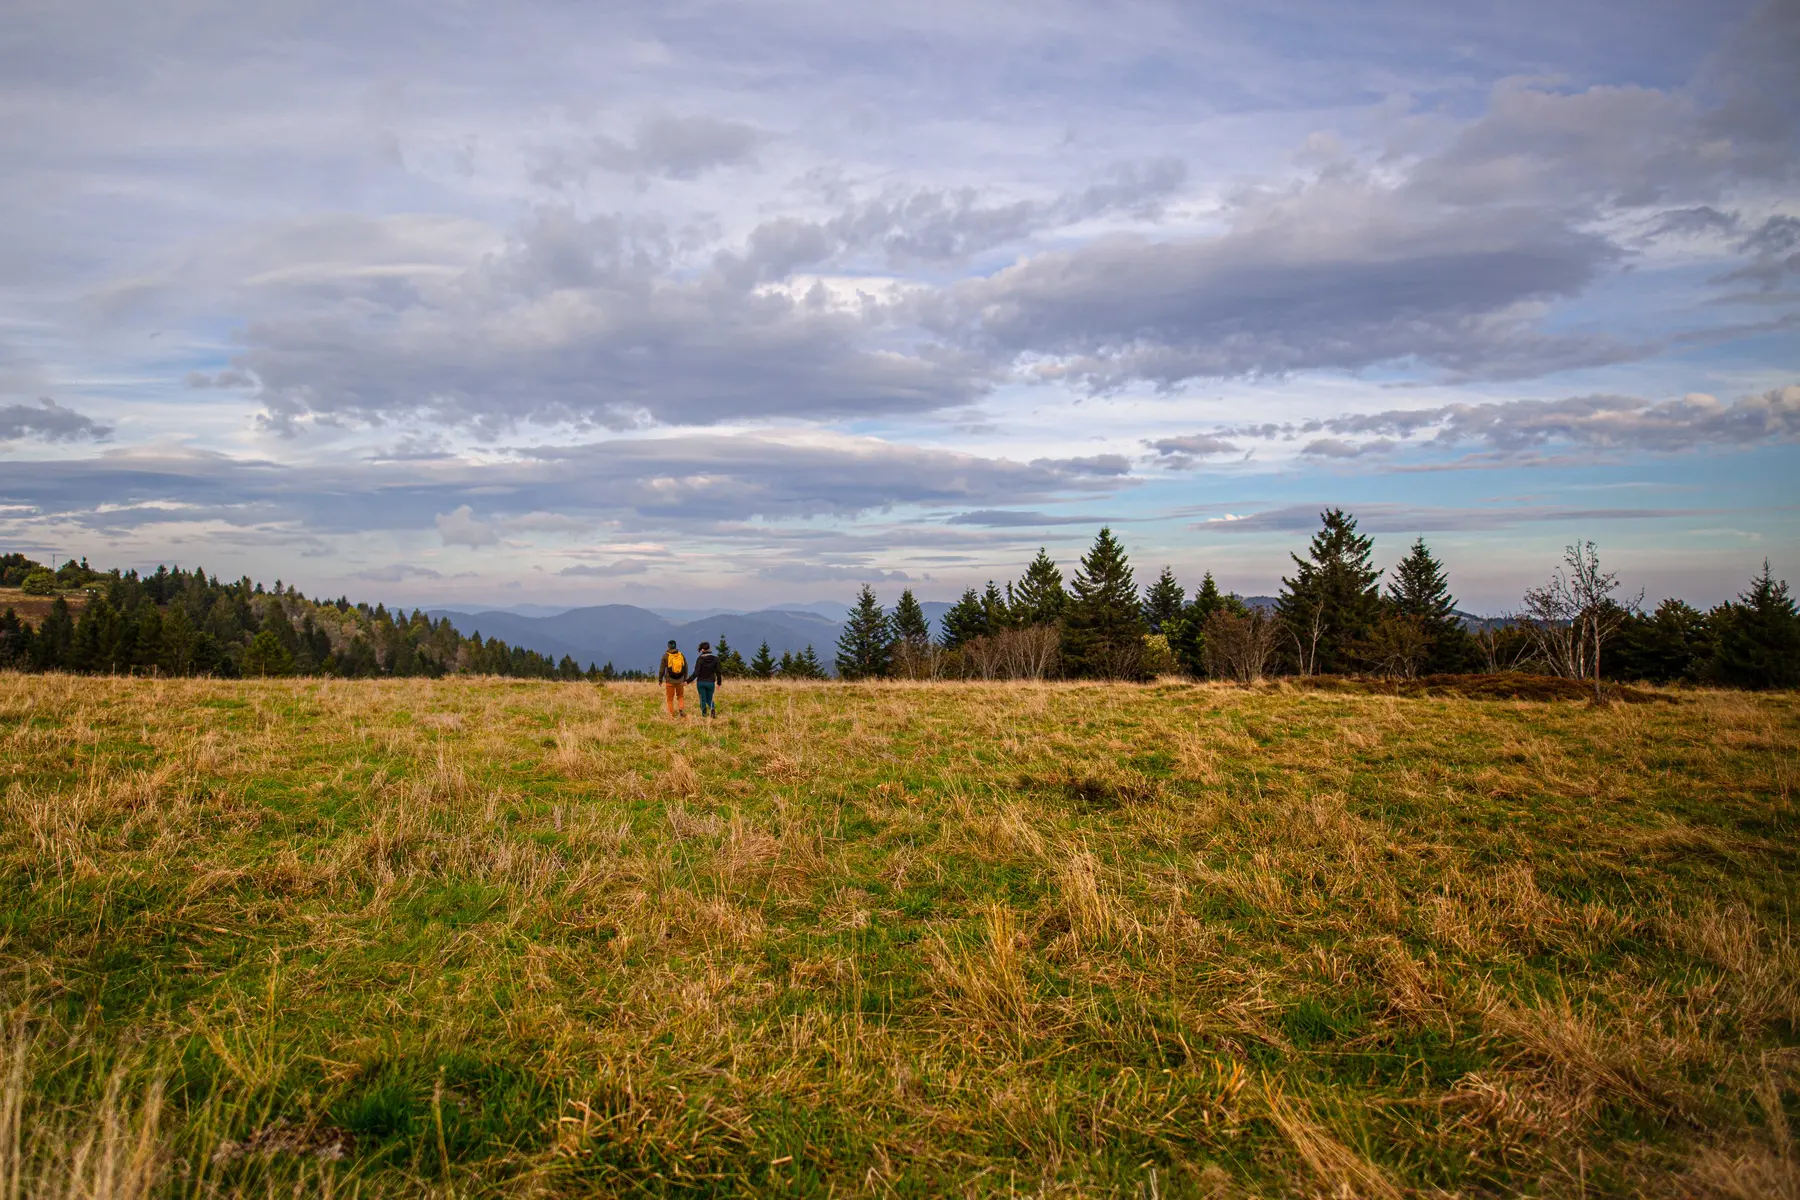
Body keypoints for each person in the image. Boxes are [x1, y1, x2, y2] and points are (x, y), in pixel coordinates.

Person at [691, 640, 723, 717]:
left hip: (701, 682)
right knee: (709, 699)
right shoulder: (716, 659)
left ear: (702, 650)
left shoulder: (700, 659)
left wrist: (688, 681)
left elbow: (696, 672)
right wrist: (719, 683)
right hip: (711, 682)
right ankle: (712, 708)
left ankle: (704, 715)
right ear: (709, 648)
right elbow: (718, 672)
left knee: (703, 699)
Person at [658, 639, 688, 718]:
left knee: (670, 699)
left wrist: (660, 680)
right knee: (680, 696)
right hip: (680, 680)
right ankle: (681, 709)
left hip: (670, 681)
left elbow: (662, 670)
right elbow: (685, 668)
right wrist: (684, 679)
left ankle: (671, 714)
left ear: (668, 646)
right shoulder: (681, 655)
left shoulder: (665, 656)